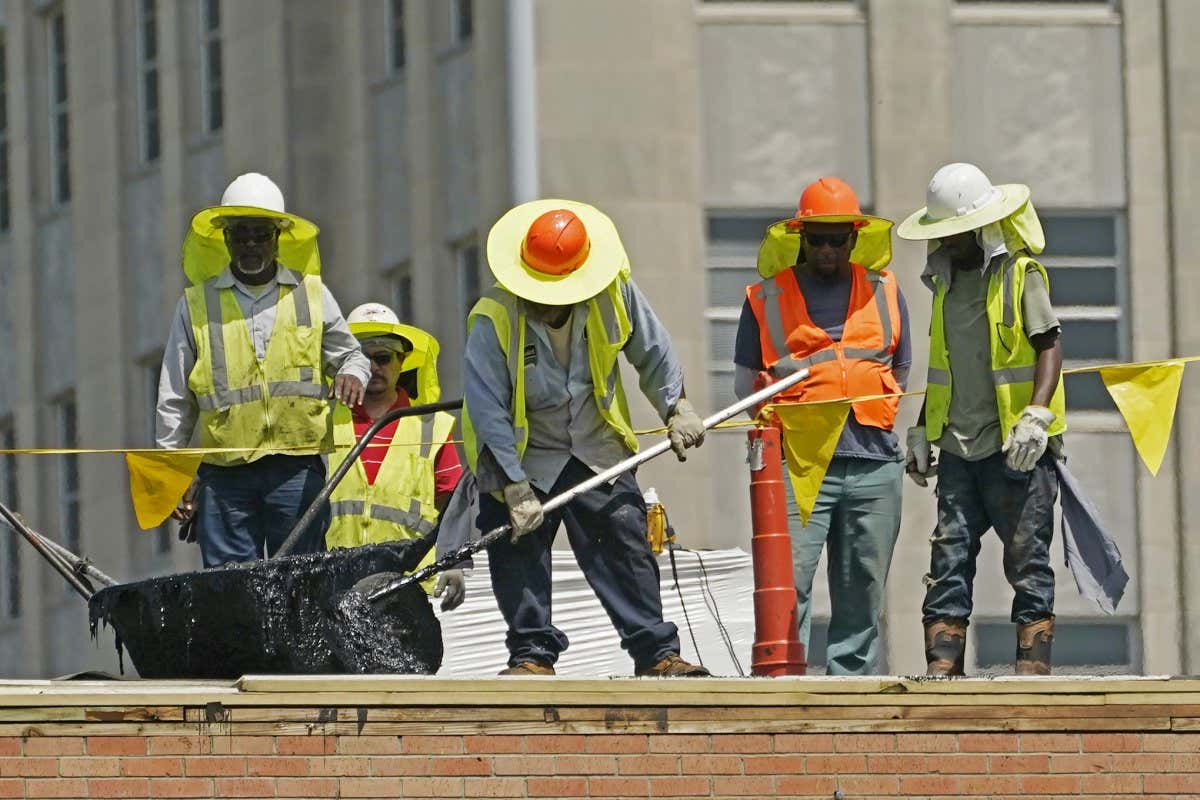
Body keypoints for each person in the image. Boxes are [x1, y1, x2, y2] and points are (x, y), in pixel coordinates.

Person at [462, 198, 708, 677]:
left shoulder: (612, 294)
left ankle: (657, 653)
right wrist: (512, 487)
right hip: (524, 453)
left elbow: (652, 350)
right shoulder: (493, 318)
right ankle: (531, 656)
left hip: (594, 445)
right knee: (517, 545)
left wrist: (676, 406)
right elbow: (487, 408)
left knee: (623, 536)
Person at [734, 177, 911, 675]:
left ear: (855, 238)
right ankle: (785, 685)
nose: (828, 248)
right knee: (787, 586)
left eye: (838, 237)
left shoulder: (886, 291)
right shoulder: (766, 298)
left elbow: (899, 368)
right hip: (800, 466)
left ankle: (848, 693)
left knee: (863, 584)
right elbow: (747, 383)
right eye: (818, 238)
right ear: (800, 238)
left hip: (874, 461)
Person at [898, 162, 1066, 676]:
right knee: (948, 556)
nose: (945, 244)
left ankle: (1031, 675)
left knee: (1027, 559)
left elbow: (1049, 344)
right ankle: (942, 670)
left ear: (977, 227)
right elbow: (945, 366)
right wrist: (923, 429)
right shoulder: (944, 287)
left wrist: (1037, 414)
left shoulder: (1020, 274)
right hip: (958, 447)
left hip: (1018, 447)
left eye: (954, 234)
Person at [156, 173, 370, 567]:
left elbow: (351, 356)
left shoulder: (312, 295)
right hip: (224, 476)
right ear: (226, 240)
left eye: (260, 235)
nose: (250, 245)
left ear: (277, 238)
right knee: (231, 589)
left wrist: (353, 373)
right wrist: (173, 475)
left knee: (301, 582)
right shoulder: (196, 306)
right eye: (241, 235)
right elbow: (174, 400)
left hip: (296, 466)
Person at [325, 302, 467, 611]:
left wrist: (454, 560)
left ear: (401, 361)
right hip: (335, 586)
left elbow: (453, 505)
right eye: (363, 357)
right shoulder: (321, 423)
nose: (374, 367)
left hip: (410, 589)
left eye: (383, 357)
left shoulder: (433, 425)